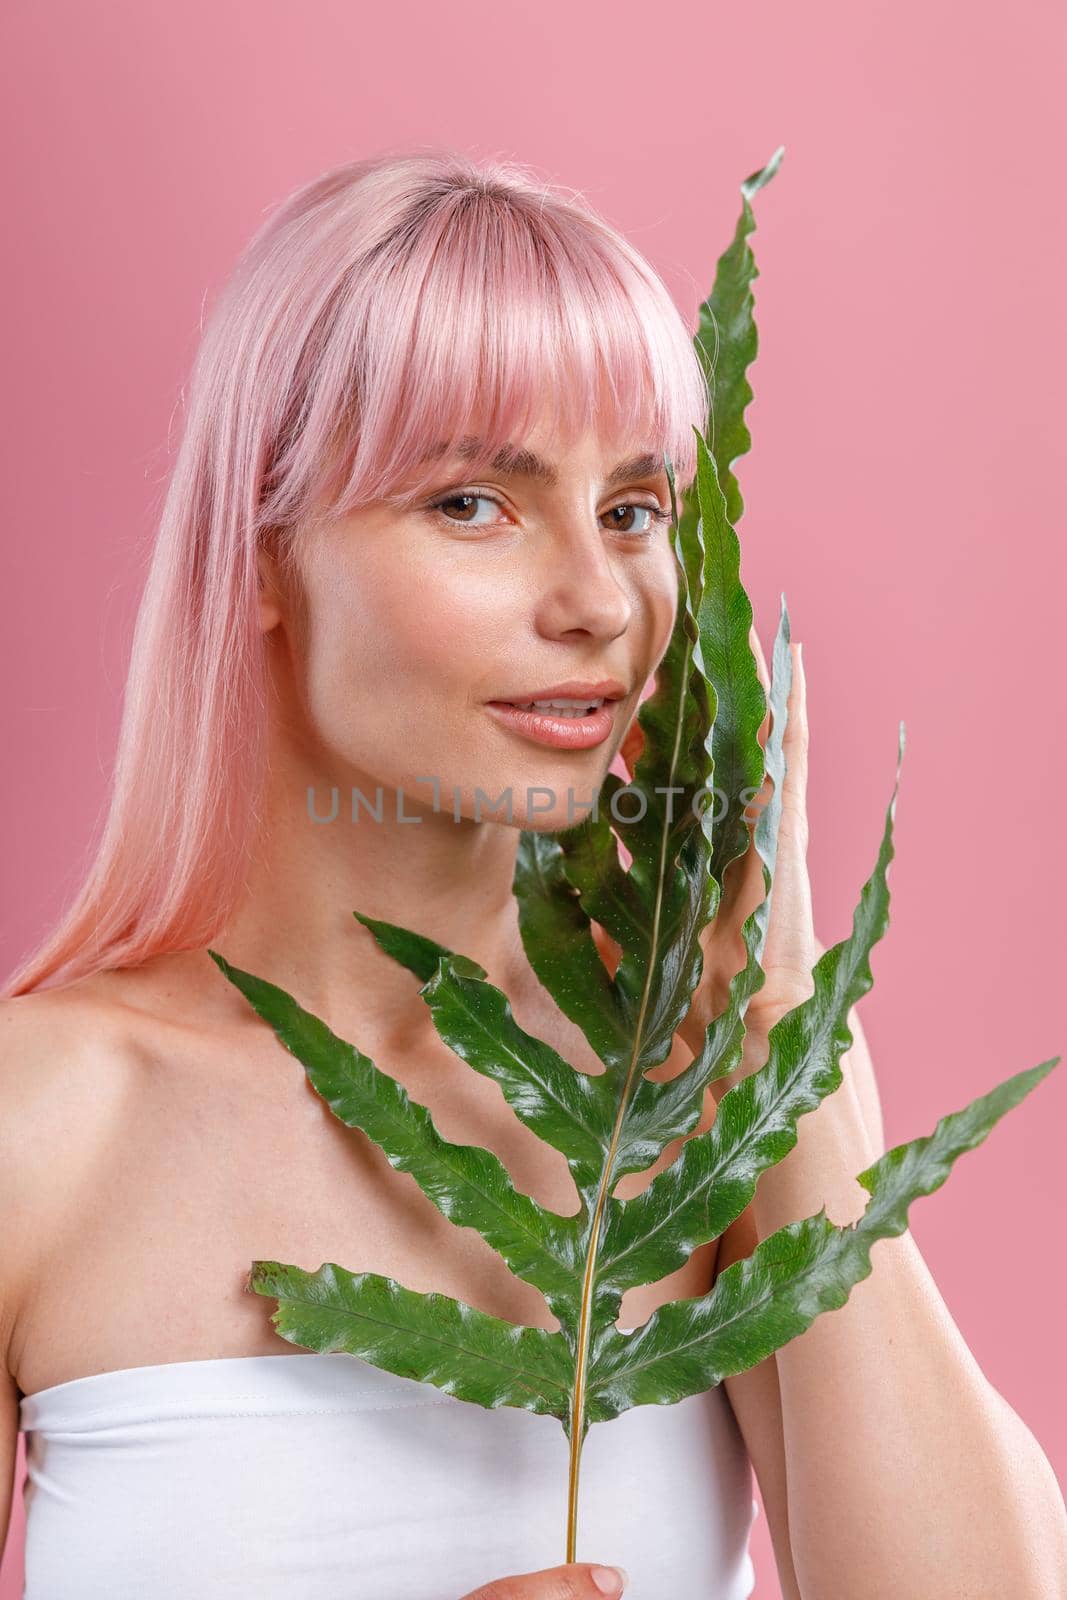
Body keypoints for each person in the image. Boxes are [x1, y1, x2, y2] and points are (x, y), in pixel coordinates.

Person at [3, 148, 1066, 1599]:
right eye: (473, 505)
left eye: (634, 510)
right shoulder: (39, 1123)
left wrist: (779, 1040)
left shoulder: (687, 1083)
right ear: (259, 551)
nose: (593, 604)